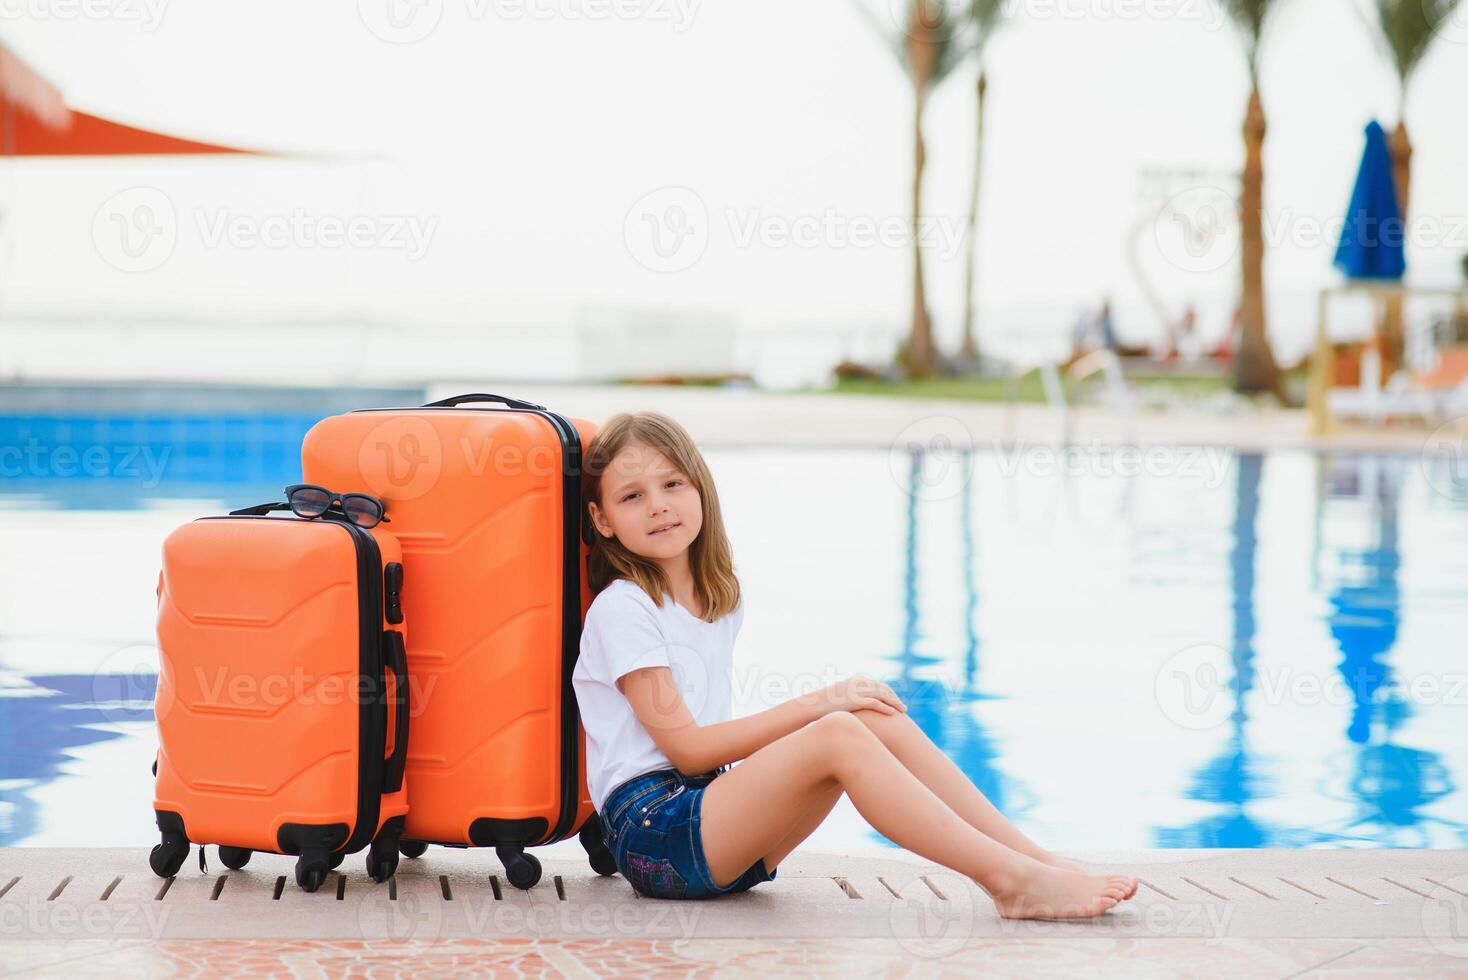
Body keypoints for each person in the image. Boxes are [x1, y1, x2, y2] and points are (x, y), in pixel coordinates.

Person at [572, 411, 1139, 919]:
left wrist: (834, 704)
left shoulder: (720, 596)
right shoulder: (624, 608)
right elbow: (688, 750)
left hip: (717, 831)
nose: (659, 505)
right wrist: (819, 703)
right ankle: (1011, 882)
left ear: (701, 487)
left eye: (672, 483)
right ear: (602, 520)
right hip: (655, 837)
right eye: (633, 496)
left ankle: (1035, 859)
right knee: (838, 727)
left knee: (867, 713)